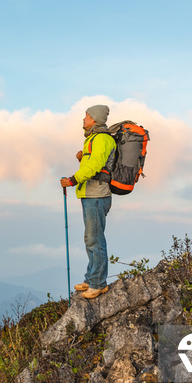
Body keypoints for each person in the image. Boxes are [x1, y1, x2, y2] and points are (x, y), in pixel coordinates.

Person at [60, 104, 116, 299]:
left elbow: (93, 167)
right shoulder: (93, 139)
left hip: (97, 196)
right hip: (92, 195)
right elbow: (95, 165)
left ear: (95, 119)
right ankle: (92, 278)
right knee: (90, 238)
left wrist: (72, 180)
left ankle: (98, 283)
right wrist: (81, 158)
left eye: (86, 116)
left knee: (95, 239)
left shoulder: (101, 139)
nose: (83, 119)